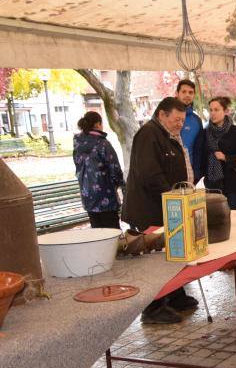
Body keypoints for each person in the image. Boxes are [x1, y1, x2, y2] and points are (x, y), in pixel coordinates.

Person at [122, 97, 198, 324]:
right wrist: (173, 196)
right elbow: (149, 174)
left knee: (172, 254)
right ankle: (153, 307)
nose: (180, 124)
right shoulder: (148, 134)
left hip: (168, 206)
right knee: (154, 260)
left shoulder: (168, 135)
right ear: (162, 115)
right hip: (149, 209)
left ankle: (174, 295)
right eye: (176, 119)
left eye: (182, 120)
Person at [73, 111, 124, 229]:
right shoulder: (103, 143)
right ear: (97, 124)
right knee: (112, 232)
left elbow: (78, 166)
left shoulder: (77, 144)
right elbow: (115, 169)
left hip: (87, 195)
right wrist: (120, 184)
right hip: (106, 195)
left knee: (97, 232)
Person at [202, 96, 236, 210]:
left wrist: (226, 158)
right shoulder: (205, 133)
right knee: (216, 220)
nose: (212, 113)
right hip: (213, 185)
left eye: (216, 110)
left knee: (234, 220)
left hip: (233, 184)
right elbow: (201, 157)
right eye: (211, 110)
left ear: (226, 111)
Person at [175, 79, 206, 182]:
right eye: (184, 92)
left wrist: (197, 173)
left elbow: (199, 149)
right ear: (177, 93)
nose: (187, 95)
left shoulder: (196, 120)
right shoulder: (166, 116)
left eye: (190, 92)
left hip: (190, 175)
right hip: (170, 173)